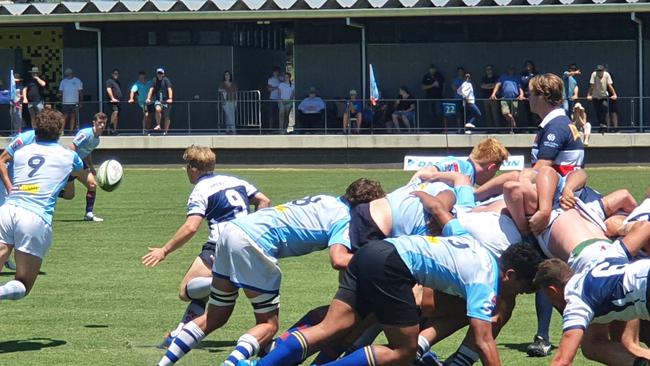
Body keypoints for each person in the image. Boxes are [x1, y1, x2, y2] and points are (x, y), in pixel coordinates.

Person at [247, 219, 542, 366]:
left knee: (331, 328)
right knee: (403, 350)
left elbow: (445, 220)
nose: (520, 294)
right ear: (511, 274)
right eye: (524, 288)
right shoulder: (485, 280)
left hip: (371, 253)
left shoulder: (474, 243)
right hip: (392, 267)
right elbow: (484, 338)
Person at [156, 179, 384, 366]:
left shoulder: (327, 198)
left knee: (216, 316)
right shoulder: (347, 219)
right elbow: (338, 258)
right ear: (366, 207)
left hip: (232, 231)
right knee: (268, 324)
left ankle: (163, 364)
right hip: (255, 243)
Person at [142, 145, 271, 349]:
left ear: (193, 168)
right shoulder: (235, 181)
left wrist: (164, 250)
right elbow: (264, 200)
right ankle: (181, 332)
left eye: (187, 165)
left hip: (221, 244)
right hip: (248, 243)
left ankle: (229, 283)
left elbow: (191, 227)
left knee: (186, 290)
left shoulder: (200, 190)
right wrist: (253, 226)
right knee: (199, 291)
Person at [527, 73, 585, 356]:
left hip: (557, 208)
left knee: (549, 272)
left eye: (530, 93)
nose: (527, 98)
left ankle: (546, 336)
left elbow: (541, 170)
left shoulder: (555, 127)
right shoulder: (559, 123)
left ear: (542, 96)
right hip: (564, 202)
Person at [0, 109, 83, 300]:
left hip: (7, 210)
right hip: (34, 217)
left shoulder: (21, 151)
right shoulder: (70, 157)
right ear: (61, 130)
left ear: (36, 128)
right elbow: (82, 187)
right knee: (23, 283)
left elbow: (5, 160)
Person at [535, 258, 650, 366]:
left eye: (547, 297)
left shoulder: (576, 301)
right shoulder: (590, 269)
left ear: (552, 291)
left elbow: (562, 361)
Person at [59, 112, 107, 222]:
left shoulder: (97, 139)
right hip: (70, 165)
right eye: (100, 122)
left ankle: (89, 214)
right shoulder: (86, 133)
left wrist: (90, 166)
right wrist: (71, 166)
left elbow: (87, 152)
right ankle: (50, 192)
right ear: (94, 123)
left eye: (104, 123)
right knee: (70, 195)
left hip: (80, 165)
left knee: (91, 185)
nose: (102, 125)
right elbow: (72, 147)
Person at [490, 66, 524, 133]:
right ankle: (514, 125)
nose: (511, 70)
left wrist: (521, 95)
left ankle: (511, 129)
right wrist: (493, 94)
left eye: (512, 69)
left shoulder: (517, 77)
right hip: (504, 98)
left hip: (514, 99)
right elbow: (497, 85)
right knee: (505, 113)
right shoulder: (503, 77)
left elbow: (520, 87)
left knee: (514, 114)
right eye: (509, 69)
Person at [587, 65, 617, 133]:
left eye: (600, 71)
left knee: (604, 108)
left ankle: (603, 125)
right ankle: (601, 126)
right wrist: (589, 95)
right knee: (598, 112)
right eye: (598, 71)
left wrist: (614, 94)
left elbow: (609, 85)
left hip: (604, 96)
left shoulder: (606, 75)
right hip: (595, 96)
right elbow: (592, 86)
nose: (599, 72)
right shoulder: (594, 74)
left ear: (603, 71)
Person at [147, 68, 174, 135]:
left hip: (166, 101)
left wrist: (170, 98)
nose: (159, 75)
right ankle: (158, 125)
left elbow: (169, 89)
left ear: (163, 74)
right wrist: (148, 98)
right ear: (157, 74)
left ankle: (166, 132)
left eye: (161, 73)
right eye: (158, 73)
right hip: (158, 100)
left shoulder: (166, 80)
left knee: (166, 116)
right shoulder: (154, 80)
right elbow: (151, 89)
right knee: (157, 109)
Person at [58, 68, 83, 134]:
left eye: (69, 73)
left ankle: (71, 131)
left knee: (73, 116)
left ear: (72, 73)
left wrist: (81, 101)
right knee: (64, 116)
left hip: (75, 102)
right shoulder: (63, 81)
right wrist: (61, 100)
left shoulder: (77, 81)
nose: (68, 74)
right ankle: (61, 131)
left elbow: (80, 91)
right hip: (65, 102)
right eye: (67, 73)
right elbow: (61, 92)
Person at [420, 64, 445, 128]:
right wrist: (432, 85)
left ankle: (440, 128)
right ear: (429, 69)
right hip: (429, 98)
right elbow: (423, 87)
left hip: (438, 98)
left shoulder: (439, 75)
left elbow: (442, 84)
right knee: (431, 113)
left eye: (434, 69)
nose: (432, 70)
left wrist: (437, 85)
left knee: (439, 113)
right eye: (431, 69)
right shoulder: (426, 76)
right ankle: (432, 128)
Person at [519, 60, 541, 129]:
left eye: (529, 65)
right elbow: (523, 81)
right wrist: (529, 77)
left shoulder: (536, 73)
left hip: (535, 95)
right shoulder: (523, 73)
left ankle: (535, 128)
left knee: (535, 112)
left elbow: (538, 82)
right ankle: (528, 128)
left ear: (532, 66)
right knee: (527, 112)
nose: (528, 66)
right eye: (527, 65)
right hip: (526, 96)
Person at [219, 70, 238, 134]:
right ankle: (233, 130)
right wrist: (224, 90)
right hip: (225, 102)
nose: (227, 76)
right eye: (226, 75)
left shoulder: (233, 84)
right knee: (230, 115)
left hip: (233, 101)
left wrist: (236, 101)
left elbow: (235, 92)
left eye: (228, 75)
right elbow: (219, 89)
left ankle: (227, 130)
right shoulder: (222, 83)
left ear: (230, 76)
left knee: (229, 116)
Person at [480, 65, 500, 129]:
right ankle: (489, 129)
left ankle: (497, 129)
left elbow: (496, 85)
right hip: (485, 98)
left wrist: (488, 86)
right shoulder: (484, 78)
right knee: (487, 114)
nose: (489, 71)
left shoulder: (496, 77)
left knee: (495, 114)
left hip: (494, 98)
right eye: (487, 69)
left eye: (490, 69)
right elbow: (482, 86)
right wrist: (491, 85)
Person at [105, 68, 122, 135]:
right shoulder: (109, 81)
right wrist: (112, 98)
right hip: (112, 101)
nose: (116, 75)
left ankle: (114, 130)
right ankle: (111, 125)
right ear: (112, 74)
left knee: (116, 116)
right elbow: (108, 89)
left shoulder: (117, 82)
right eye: (115, 73)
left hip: (118, 102)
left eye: (117, 74)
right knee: (115, 111)